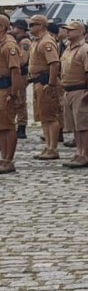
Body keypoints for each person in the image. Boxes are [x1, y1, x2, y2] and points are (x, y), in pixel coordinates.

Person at [59, 21, 88, 168]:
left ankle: (85, 155)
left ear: (80, 32)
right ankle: (78, 152)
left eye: (71, 30)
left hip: (80, 90)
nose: (67, 32)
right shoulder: (68, 49)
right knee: (75, 126)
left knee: (83, 125)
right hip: (69, 90)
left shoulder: (85, 49)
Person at [28, 15, 62, 160]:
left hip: (45, 82)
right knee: (43, 116)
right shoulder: (37, 41)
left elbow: (54, 63)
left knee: (50, 116)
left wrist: (51, 83)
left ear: (41, 25)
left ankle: (53, 147)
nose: (30, 28)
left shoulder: (47, 42)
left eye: (32, 25)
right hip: (38, 81)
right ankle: (48, 146)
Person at [0, 16, 24, 174]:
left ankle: (9, 159)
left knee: (8, 125)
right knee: (1, 126)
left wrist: (14, 93)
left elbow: (15, 71)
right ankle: (3, 158)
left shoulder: (9, 46)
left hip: (6, 88)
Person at [9, 20, 31, 139]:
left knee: (20, 100)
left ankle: (22, 126)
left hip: (21, 74)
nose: (13, 29)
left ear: (20, 29)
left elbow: (22, 60)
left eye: (15, 27)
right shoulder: (17, 41)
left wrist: (11, 63)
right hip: (17, 73)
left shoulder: (24, 42)